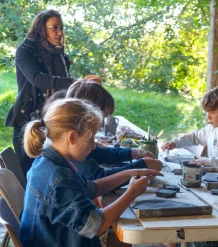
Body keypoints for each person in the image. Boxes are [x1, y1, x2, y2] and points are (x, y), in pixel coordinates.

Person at [20, 98, 163, 247]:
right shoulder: (60, 179)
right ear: (72, 137)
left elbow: (92, 188)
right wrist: (132, 193)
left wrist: (130, 173)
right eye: (91, 139)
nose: (94, 146)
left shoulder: (46, 162)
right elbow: (96, 226)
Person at [4, 9, 74, 177]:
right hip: (28, 120)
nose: (60, 32)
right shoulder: (24, 50)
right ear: (42, 28)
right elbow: (37, 79)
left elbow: (63, 85)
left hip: (53, 117)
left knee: (51, 172)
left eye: (61, 28)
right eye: (55, 28)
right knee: (29, 174)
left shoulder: (59, 53)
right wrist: (76, 82)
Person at [64, 79, 162, 180]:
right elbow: (98, 178)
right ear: (88, 113)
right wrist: (140, 167)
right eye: (103, 116)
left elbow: (98, 153)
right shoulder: (74, 142)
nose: (102, 125)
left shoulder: (73, 133)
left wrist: (132, 152)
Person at [161, 86, 218, 174]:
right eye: (207, 112)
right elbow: (194, 137)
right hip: (214, 177)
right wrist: (175, 143)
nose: (208, 116)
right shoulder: (211, 129)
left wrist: (207, 161)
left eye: (212, 112)